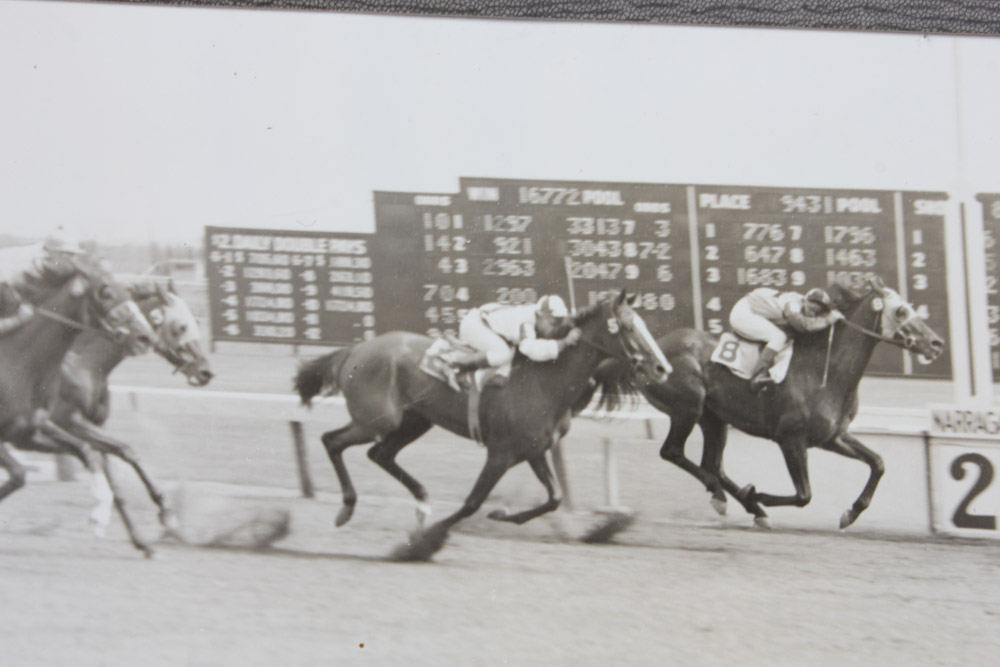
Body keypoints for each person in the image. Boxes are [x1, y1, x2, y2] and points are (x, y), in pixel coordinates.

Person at [729, 286, 844, 391]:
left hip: (758, 308)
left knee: (786, 338)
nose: (811, 314)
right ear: (805, 300)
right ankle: (758, 375)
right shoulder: (792, 304)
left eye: (816, 312)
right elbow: (803, 325)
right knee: (779, 337)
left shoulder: (801, 301)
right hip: (744, 312)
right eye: (810, 309)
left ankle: (773, 374)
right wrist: (827, 320)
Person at [452, 294, 582, 376]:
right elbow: (531, 350)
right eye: (554, 322)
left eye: (559, 321)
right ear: (541, 315)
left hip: (487, 324)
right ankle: (455, 365)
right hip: (474, 326)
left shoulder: (536, 315)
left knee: (509, 356)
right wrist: (565, 342)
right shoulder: (526, 321)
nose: (555, 327)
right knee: (503, 354)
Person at [0, 234, 86, 333]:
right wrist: (18, 319)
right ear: (51, 254)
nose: (73, 260)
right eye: (69, 255)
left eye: (73, 255)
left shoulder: (53, 267)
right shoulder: (10, 270)